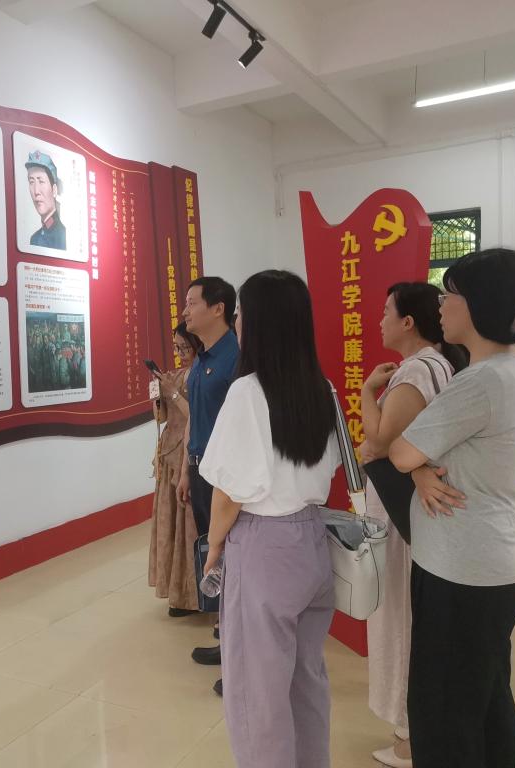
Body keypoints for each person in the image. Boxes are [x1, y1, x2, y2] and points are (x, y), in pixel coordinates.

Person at [389, 248, 515, 768]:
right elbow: (418, 458)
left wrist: (414, 466)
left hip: (460, 574)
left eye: (450, 294)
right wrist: (419, 470)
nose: (441, 303)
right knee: (486, 701)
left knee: (443, 718)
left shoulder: (479, 381)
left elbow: (400, 451)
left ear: (479, 305)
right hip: (491, 564)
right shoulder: (511, 366)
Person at [200, 269, 340, 768]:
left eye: (241, 313)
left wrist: (215, 549)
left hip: (263, 548)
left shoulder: (247, 392)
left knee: (258, 693)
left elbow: (228, 495)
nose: (237, 322)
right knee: (306, 679)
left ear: (259, 323)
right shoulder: (321, 388)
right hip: (312, 541)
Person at [358, 282, 467, 768]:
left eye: (386, 311)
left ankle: (408, 734)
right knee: (406, 616)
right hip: (416, 514)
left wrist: (367, 392)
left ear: (407, 322)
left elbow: (381, 443)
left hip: (402, 516)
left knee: (398, 619)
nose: (379, 320)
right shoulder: (437, 366)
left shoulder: (416, 371)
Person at [177, 276, 238, 677]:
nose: (185, 311)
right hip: (200, 468)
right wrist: (187, 469)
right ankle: (222, 633)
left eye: (192, 302)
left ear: (218, 308)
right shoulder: (201, 358)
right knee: (211, 552)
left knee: (229, 553)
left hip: (226, 475)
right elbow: (194, 420)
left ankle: (236, 643)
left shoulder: (237, 358)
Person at [149, 323, 202, 616]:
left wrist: (171, 394)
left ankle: (193, 596)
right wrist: (159, 394)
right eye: (177, 347)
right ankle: (177, 592)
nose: (180, 353)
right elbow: (162, 417)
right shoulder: (179, 375)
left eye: (185, 347)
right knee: (170, 526)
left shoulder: (202, 374)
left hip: (188, 455)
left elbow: (197, 414)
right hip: (169, 452)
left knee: (188, 527)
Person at [26, 151, 66, 250]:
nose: (36, 191)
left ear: (54, 190)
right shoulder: (34, 238)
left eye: (41, 181)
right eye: (31, 182)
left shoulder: (63, 235)